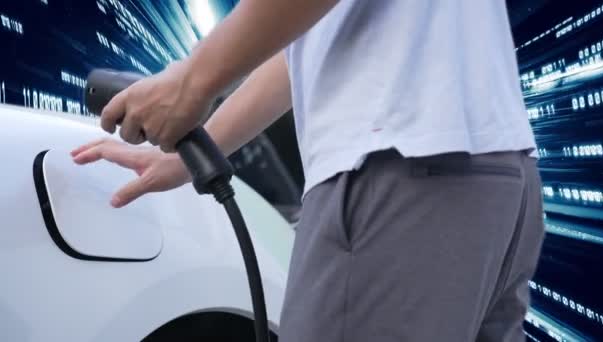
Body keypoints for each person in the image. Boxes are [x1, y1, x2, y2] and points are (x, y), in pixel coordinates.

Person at [71, 1, 545, 341]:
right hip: (495, 174)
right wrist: (191, 150)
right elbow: (302, 43)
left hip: (395, 164)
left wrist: (192, 81)